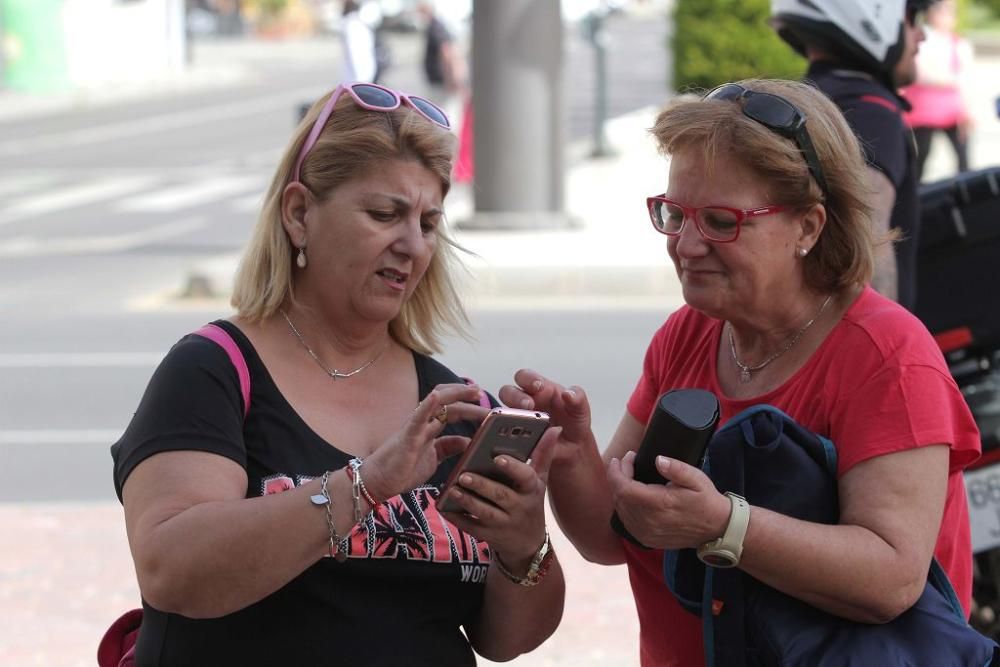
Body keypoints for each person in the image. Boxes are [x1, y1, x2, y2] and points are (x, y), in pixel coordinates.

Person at [499, 78, 980, 666]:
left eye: (722, 221)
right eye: (675, 214)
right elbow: (611, 536)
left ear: (808, 226)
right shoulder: (690, 333)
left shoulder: (886, 355)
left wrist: (723, 526)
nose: (687, 244)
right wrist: (572, 450)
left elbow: (891, 580)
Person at [110, 82, 564, 666]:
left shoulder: (455, 403)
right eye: (384, 214)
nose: (411, 245)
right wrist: (365, 485)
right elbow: (171, 570)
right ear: (299, 214)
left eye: (428, 223)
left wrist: (524, 544)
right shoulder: (215, 369)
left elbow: (504, 640)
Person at [771, 0, 931, 311]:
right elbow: (870, 246)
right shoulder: (869, 110)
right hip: (850, 350)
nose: (921, 35)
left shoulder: (805, 101)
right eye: (912, 18)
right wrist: (886, 350)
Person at [901, 0, 975, 179]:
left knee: (963, 155)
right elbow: (920, 72)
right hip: (924, 110)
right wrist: (948, 77)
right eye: (942, 10)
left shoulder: (958, 43)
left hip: (951, 110)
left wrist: (968, 111)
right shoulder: (921, 36)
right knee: (921, 156)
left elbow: (964, 79)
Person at [340, 0, 377, 84]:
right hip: (358, 79)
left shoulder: (355, 23)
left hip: (361, 77)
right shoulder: (353, 24)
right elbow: (355, 55)